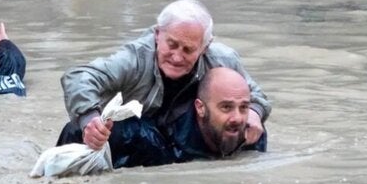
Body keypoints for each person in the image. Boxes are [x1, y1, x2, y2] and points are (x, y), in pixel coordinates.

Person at [59, 0, 270, 152]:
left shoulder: (223, 59)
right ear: (158, 34)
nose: (177, 57)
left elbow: (257, 96)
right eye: (172, 45)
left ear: (204, 48)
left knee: (250, 130)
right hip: (135, 134)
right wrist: (90, 120)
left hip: (179, 138)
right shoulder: (134, 58)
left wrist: (254, 112)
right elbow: (79, 77)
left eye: (188, 50)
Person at [63, 67, 268, 169]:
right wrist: (92, 128)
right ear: (200, 108)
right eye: (226, 107)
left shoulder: (252, 133)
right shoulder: (144, 140)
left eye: (244, 107)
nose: (237, 118)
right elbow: (73, 133)